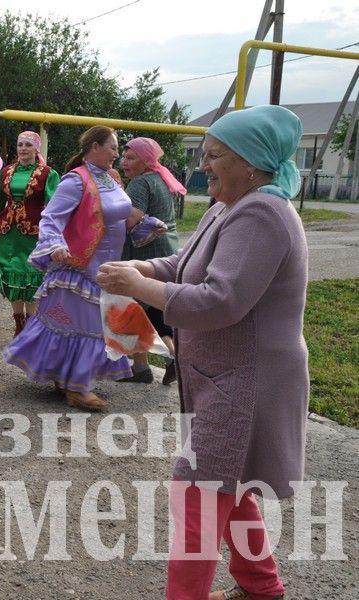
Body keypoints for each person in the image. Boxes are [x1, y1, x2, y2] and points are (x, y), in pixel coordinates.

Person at [97, 105, 308, 600]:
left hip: (246, 381)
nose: (203, 165)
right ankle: (262, 588)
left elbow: (220, 301)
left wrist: (139, 288)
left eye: (214, 155)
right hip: (226, 376)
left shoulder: (261, 212)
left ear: (250, 162)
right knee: (225, 490)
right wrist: (143, 269)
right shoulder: (228, 205)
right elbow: (184, 263)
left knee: (195, 494)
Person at [3, 125, 132, 411]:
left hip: (107, 266)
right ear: (94, 147)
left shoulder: (110, 179)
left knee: (85, 326)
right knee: (86, 327)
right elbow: (50, 218)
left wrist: (145, 224)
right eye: (112, 147)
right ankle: (77, 388)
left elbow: (120, 213)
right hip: (79, 268)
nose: (116, 152)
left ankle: (69, 378)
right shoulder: (76, 181)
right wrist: (54, 244)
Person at [0, 131, 59, 337]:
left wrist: (55, 233)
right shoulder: (7, 171)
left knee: (31, 280)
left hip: (33, 236)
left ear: (36, 149)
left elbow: (54, 206)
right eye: (20, 145)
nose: (23, 149)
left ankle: (32, 328)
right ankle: (19, 325)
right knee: (12, 279)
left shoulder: (48, 174)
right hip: (7, 234)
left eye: (28, 145)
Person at [118, 136, 185, 385]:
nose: (125, 162)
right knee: (153, 308)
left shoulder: (139, 183)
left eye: (131, 157)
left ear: (145, 160)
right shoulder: (160, 178)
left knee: (134, 306)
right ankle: (162, 359)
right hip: (165, 249)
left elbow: (131, 218)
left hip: (144, 253)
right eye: (124, 156)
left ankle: (144, 366)